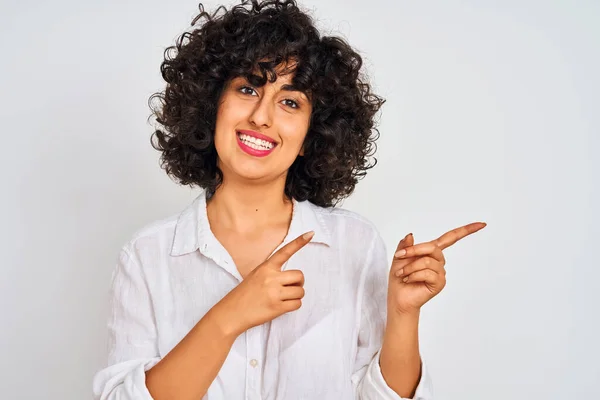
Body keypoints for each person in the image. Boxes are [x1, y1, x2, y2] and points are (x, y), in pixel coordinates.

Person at [92, 1, 486, 399]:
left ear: (311, 138)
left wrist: (403, 314)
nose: (262, 117)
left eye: (290, 101)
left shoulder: (354, 244)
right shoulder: (147, 255)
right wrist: (228, 317)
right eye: (248, 89)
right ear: (211, 106)